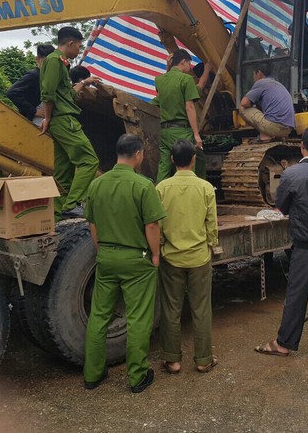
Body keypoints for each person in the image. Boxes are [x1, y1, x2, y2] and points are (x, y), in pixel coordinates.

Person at [83, 134, 167, 394]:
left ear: (117, 153)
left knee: (99, 316)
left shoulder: (97, 184)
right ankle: (137, 377)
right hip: (136, 260)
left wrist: (102, 250)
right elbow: (152, 225)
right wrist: (155, 255)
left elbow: (92, 224)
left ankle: (93, 375)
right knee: (138, 318)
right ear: (139, 154)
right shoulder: (143, 186)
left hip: (106, 257)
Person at [254, 127, 308, 363]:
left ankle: (285, 344)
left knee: (297, 294)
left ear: (302, 145)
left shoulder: (292, 174)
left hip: (306, 245)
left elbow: (281, 208)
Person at [156, 139, 219, 374]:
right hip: (199, 257)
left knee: (171, 309)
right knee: (201, 309)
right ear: (193, 160)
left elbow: (158, 224)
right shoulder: (205, 187)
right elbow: (211, 222)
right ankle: (203, 359)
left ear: (172, 160)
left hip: (171, 257)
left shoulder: (161, 188)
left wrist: (161, 247)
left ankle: (172, 360)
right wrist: (212, 243)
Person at [39, 27, 100, 220]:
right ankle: (73, 205)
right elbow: (47, 93)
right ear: (71, 43)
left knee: (63, 172)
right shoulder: (54, 61)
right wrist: (47, 118)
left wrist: (85, 82)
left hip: (61, 120)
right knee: (89, 161)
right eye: (80, 46)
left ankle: (56, 216)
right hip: (64, 120)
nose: (80, 50)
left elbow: (66, 95)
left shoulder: (61, 64)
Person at [153, 49, 205, 182]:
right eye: (189, 63)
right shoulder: (186, 79)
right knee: (188, 165)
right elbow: (189, 107)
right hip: (182, 131)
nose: (190, 67)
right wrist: (196, 134)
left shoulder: (159, 80)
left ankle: (159, 195)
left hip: (165, 131)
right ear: (183, 62)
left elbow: (163, 93)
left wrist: (167, 67)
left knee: (164, 166)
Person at [238, 64, 295, 143]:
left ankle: (265, 136)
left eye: (253, 74)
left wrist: (251, 105)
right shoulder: (277, 84)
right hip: (287, 129)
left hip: (274, 127)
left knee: (242, 108)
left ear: (259, 73)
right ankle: (278, 136)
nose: (253, 77)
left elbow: (244, 103)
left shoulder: (261, 83)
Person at [7, 44, 55, 127]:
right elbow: (12, 92)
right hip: (30, 122)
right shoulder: (34, 75)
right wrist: (33, 111)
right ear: (37, 60)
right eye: (45, 62)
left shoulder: (50, 78)